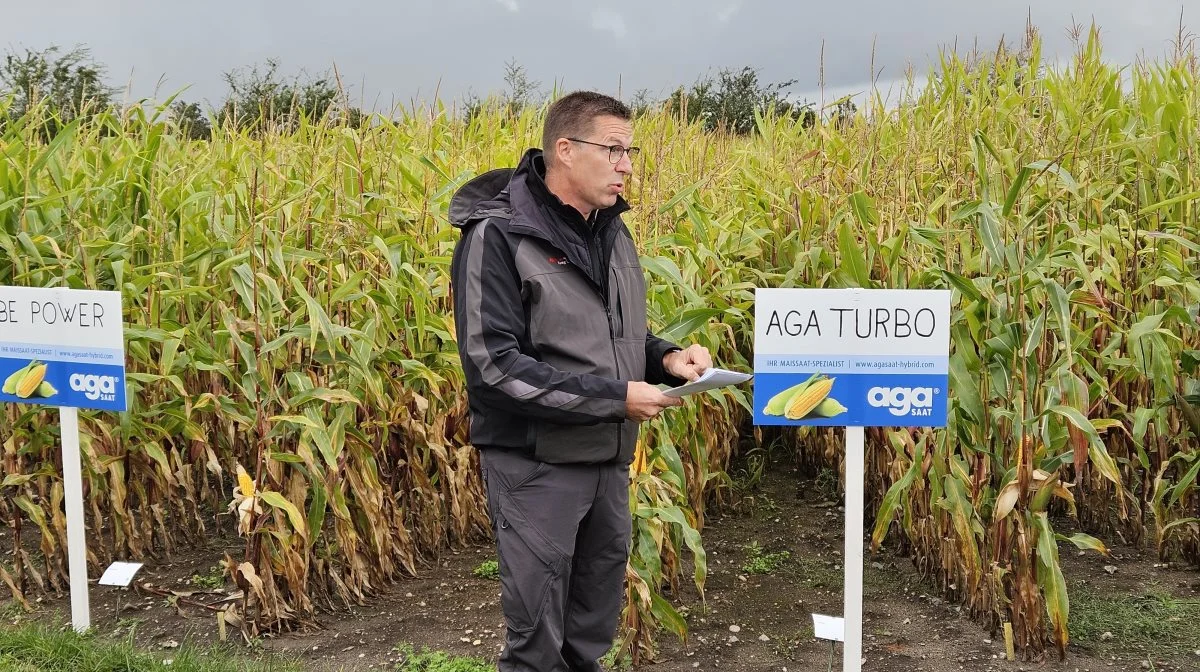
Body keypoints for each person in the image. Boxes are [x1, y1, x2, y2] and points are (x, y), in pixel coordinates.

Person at [448, 90, 713, 671]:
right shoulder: (497, 238)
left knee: (590, 639)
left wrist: (666, 359)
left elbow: (612, 339)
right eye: (613, 149)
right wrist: (616, 398)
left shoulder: (611, 234)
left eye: (630, 150)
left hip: (606, 465)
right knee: (537, 647)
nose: (627, 164)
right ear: (564, 150)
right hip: (537, 469)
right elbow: (493, 368)